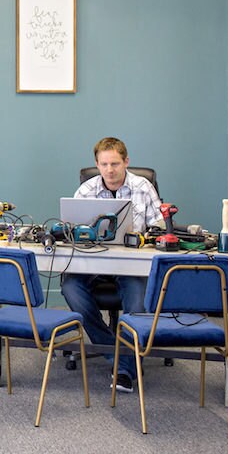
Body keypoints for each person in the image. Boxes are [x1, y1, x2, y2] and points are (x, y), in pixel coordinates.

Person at [60, 136, 162, 393]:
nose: (110, 170)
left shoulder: (143, 186)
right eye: (104, 164)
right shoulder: (86, 190)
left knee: (137, 302)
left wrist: (147, 237)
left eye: (115, 163)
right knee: (70, 288)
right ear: (96, 164)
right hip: (92, 263)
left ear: (126, 161)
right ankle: (121, 357)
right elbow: (72, 230)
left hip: (130, 264)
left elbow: (160, 227)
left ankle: (124, 369)